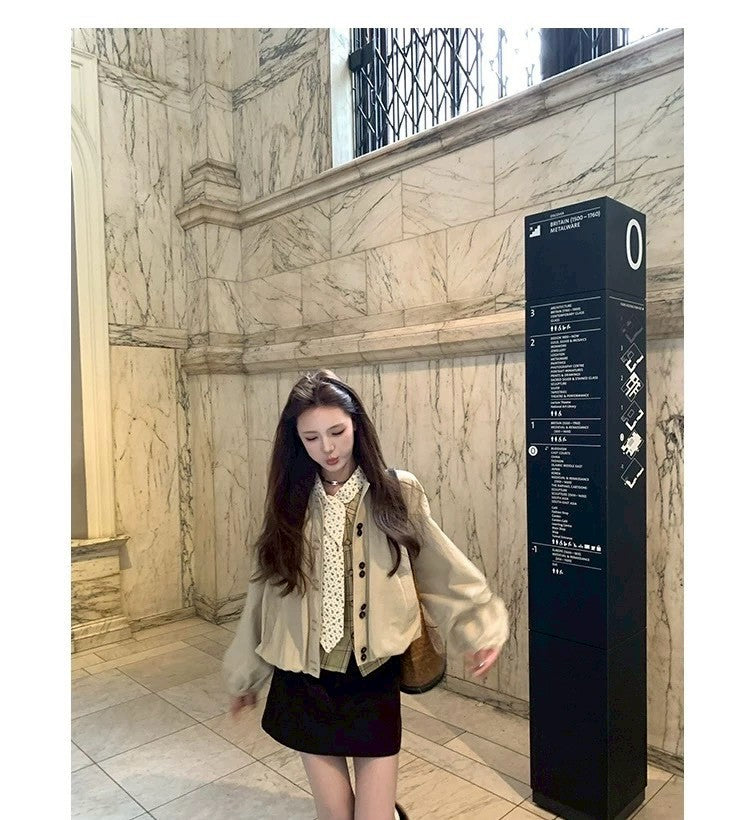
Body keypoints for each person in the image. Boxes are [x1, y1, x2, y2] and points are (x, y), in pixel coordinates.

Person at [223, 369, 510, 820]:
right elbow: (265, 589)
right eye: (312, 437)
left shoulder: (397, 492)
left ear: (356, 424)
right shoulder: (289, 499)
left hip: (372, 674)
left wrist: (479, 627)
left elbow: (441, 567)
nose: (328, 448)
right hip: (304, 677)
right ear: (297, 440)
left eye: (337, 431)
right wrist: (245, 674)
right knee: (335, 814)